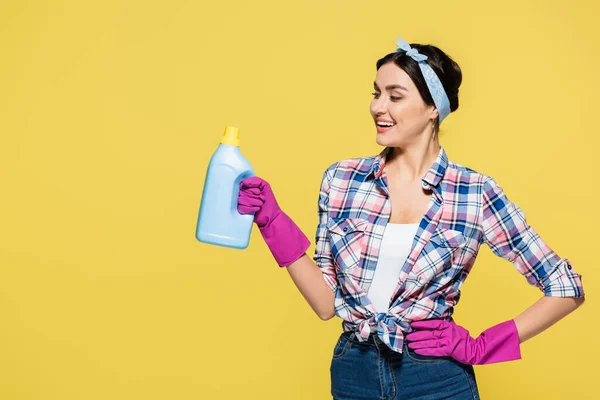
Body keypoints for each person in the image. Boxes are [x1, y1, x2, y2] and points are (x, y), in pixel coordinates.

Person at [237, 37, 586, 400]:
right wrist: (272, 221)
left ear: (433, 107)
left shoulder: (473, 192)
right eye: (376, 93)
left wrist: (481, 347)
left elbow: (565, 287)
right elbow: (326, 304)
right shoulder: (342, 179)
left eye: (395, 95)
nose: (377, 107)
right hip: (353, 371)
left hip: (435, 377)